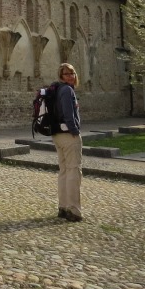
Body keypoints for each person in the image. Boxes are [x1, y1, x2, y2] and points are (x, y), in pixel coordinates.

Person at [53, 62, 82, 222]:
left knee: (64, 171)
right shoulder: (66, 90)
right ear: (61, 76)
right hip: (68, 135)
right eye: (67, 74)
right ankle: (73, 210)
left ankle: (63, 207)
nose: (71, 76)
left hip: (58, 134)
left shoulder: (57, 90)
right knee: (73, 171)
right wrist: (75, 131)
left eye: (72, 73)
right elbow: (68, 114)